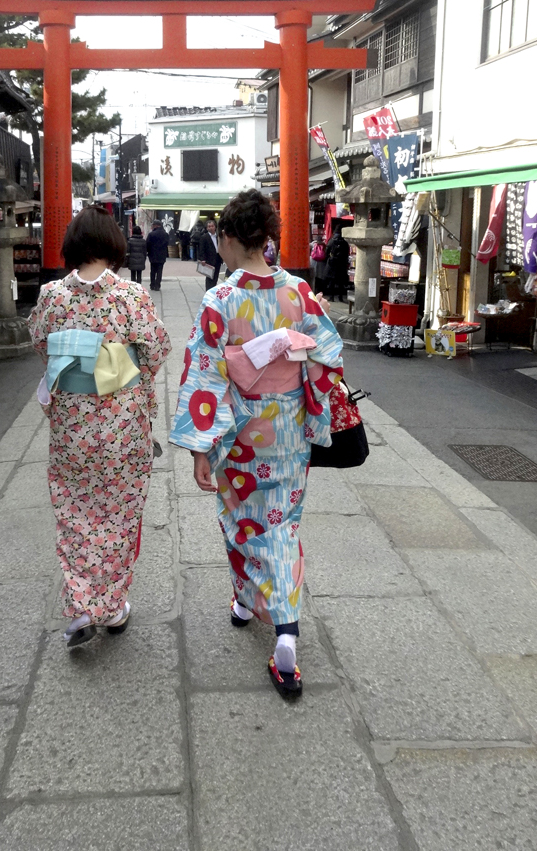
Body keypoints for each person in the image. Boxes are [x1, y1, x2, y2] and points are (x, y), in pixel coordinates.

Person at [170, 189, 343, 698]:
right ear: (265, 238)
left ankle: (263, 615)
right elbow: (329, 357)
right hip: (288, 429)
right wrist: (296, 366)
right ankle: (265, 616)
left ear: (227, 238)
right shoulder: (298, 293)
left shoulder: (220, 299)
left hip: (240, 433)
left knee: (241, 517)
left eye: (218, 240)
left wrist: (202, 448)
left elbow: (204, 374)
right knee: (282, 523)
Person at [28, 207, 171, 648]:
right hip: (121, 424)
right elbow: (157, 348)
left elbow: (38, 341)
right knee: (119, 514)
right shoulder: (129, 296)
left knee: (74, 513)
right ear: (112, 245)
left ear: (72, 246)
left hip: (72, 427)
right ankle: (109, 606)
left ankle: (82, 603)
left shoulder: (52, 295)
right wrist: (124, 371)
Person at [324, 224, 350, 302]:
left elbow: (327, 251)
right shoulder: (345, 242)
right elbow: (347, 252)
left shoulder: (331, 240)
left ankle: (331, 297)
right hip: (341, 263)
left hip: (332, 263)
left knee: (332, 280)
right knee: (340, 282)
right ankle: (340, 297)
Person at [198, 218, 222, 290]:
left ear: (215, 227)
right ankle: (208, 290)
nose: (211, 228)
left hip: (218, 258)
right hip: (209, 259)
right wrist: (202, 259)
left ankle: (214, 289)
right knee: (209, 276)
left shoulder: (218, 236)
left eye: (212, 226)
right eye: (209, 226)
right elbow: (201, 249)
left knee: (216, 276)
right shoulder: (204, 237)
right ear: (207, 228)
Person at [146, 219, 169, 291]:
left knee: (152, 270)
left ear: (156, 225)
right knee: (160, 270)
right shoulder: (166, 234)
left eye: (153, 225)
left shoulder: (151, 234)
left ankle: (152, 284)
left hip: (152, 254)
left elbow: (147, 244)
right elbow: (167, 244)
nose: (152, 226)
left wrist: (147, 252)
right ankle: (157, 285)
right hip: (162, 255)